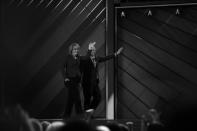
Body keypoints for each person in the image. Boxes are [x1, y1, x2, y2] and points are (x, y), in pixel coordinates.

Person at [80, 42, 124, 117]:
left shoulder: (97, 58)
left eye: (94, 50)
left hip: (94, 83)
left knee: (98, 97)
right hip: (87, 83)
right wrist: (89, 48)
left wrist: (116, 54)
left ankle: (89, 112)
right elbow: (86, 58)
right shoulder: (85, 59)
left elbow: (106, 58)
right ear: (89, 51)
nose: (94, 51)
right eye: (92, 50)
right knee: (87, 99)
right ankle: (86, 116)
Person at [62, 43, 83, 119]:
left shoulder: (79, 57)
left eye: (77, 49)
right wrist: (65, 77)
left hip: (77, 80)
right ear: (71, 50)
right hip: (70, 80)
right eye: (74, 49)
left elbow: (87, 57)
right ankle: (80, 115)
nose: (76, 50)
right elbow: (62, 68)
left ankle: (66, 115)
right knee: (77, 98)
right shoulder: (68, 57)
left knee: (70, 99)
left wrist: (90, 50)